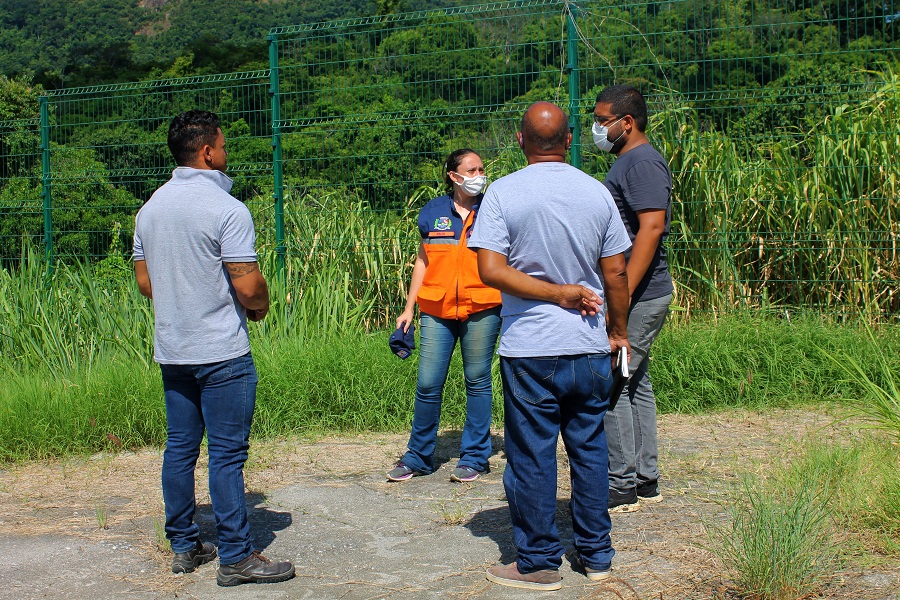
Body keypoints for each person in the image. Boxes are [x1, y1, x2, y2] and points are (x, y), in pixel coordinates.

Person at [468, 102, 632, 590]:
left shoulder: (502, 193)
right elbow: (616, 272)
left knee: (532, 453)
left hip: (530, 348)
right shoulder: (595, 192)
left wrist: (552, 293)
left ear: (520, 140)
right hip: (587, 343)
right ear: (570, 139)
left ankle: (538, 561)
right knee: (588, 447)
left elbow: (491, 270)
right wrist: (616, 331)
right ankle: (596, 552)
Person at [133, 110, 295, 587]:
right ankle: (237, 557)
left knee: (180, 449)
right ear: (207, 152)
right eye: (223, 147)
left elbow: (146, 283)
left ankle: (184, 546)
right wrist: (261, 306)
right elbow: (248, 286)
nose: (226, 155)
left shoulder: (150, 209)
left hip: (173, 349)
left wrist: (183, 289)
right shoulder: (228, 209)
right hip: (221, 352)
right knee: (226, 455)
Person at [387, 149, 502, 483]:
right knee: (427, 384)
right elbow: (423, 260)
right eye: (471, 169)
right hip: (435, 309)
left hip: (482, 306)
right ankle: (418, 457)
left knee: (477, 381)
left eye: (481, 168)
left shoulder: (493, 208)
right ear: (454, 176)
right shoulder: (432, 212)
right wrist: (409, 308)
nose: (479, 174)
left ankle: (475, 457)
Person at [593, 85, 673, 512]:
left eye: (602, 119)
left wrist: (620, 290)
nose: (597, 127)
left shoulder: (641, 163)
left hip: (640, 295)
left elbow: (652, 229)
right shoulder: (629, 161)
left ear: (627, 122)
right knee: (634, 381)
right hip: (638, 294)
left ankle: (620, 484)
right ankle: (645, 479)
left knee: (611, 381)